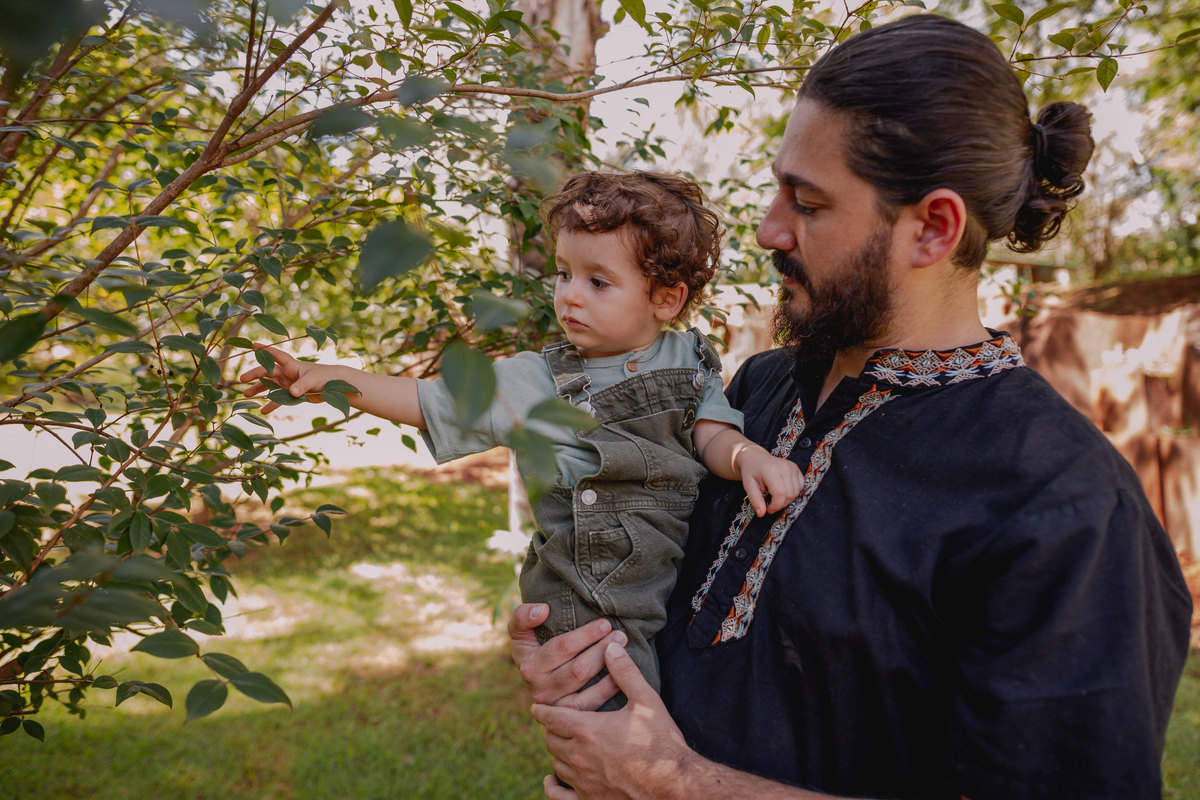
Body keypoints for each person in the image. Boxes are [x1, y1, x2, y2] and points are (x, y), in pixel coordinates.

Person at [508, 14, 1194, 800]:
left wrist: (675, 784)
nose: (768, 228)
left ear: (933, 228)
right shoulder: (755, 390)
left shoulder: (1063, 505)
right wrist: (573, 636)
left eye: (808, 203)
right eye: (777, 189)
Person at [240, 170, 804, 705]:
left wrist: (748, 457)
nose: (569, 296)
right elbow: (426, 400)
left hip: (664, 582)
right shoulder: (540, 380)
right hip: (587, 599)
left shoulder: (689, 359)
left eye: (597, 281)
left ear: (666, 299)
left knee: (671, 707)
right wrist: (329, 380)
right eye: (563, 274)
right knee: (620, 724)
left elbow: (711, 432)